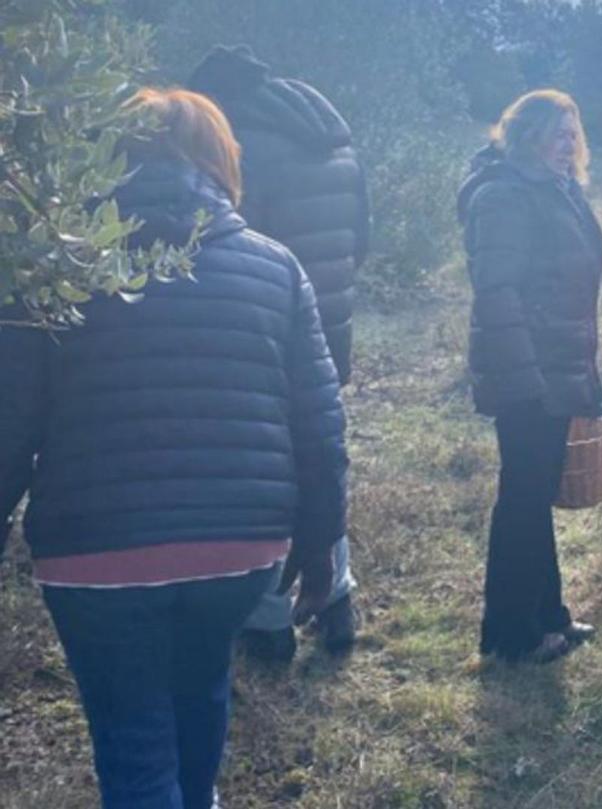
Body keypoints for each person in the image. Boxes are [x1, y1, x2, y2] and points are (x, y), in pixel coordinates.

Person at [0, 88, 348, 809]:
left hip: (97, 551)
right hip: (239, 547)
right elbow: (319, 425)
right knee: (201, 691)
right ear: (221, 162)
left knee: (133, 745)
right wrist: (321, 553)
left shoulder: (53, 278)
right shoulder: (276, 267)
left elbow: (10, 419)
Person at [188, 44, 369, 661]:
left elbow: (230, 250)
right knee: (323, 461)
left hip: (266, 335)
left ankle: (269, 619)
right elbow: (361, 239)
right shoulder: (332, 134)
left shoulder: (245, 149)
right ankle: (338, 600)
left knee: (264, 474)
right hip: (331, 326)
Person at [457, 89, 602, 664]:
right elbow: (497, 292)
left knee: (534, 493)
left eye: (572, 131)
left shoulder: (553, 188)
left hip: (551, 367)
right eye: (554, 130)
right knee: (523, 497)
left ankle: (549, 617)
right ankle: (513, 636)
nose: (566, 141)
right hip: (528, 373)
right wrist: (527, 379)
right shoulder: (505, 195)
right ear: (524, 135)